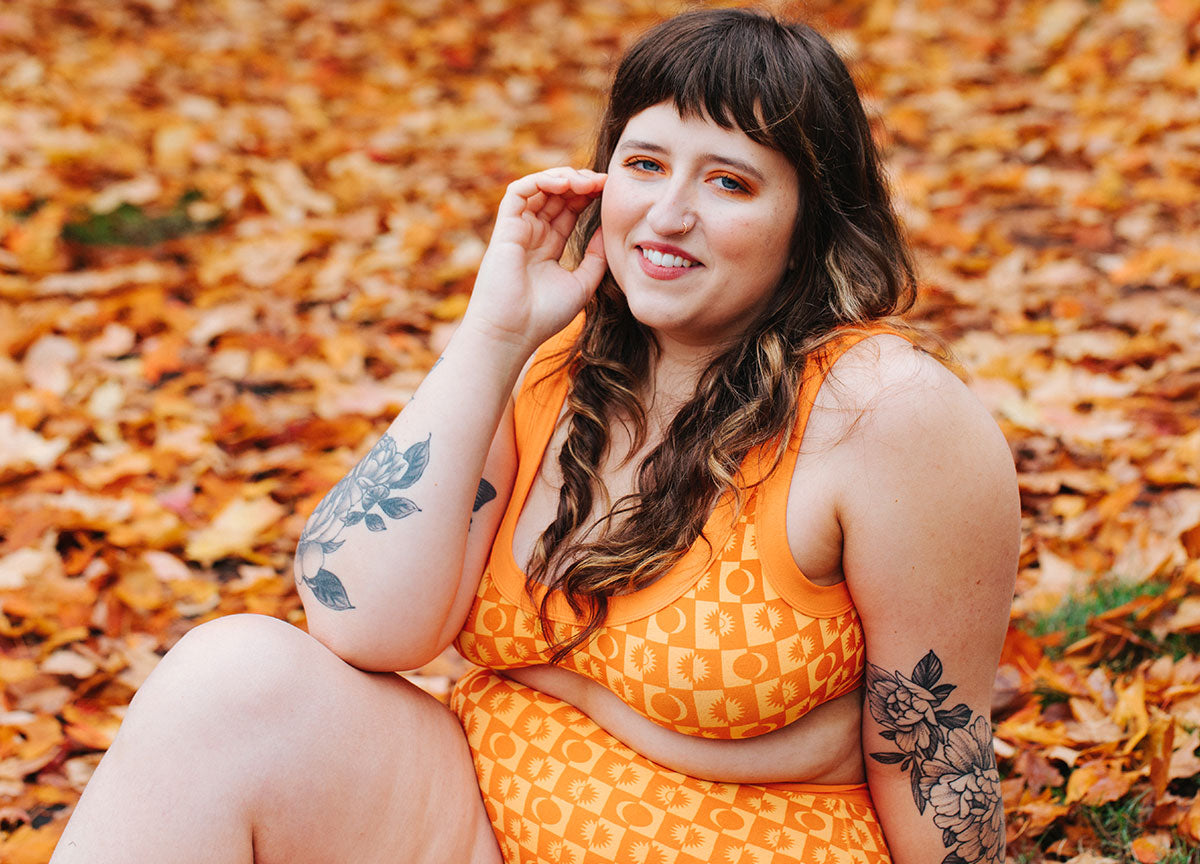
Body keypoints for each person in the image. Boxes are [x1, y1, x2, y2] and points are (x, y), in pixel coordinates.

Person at [51, 9, 1019, 864]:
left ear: (808, 222)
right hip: (470, 819)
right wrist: (492, 336)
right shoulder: (558, 367)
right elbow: (357, 619)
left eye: (729, 182)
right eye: (645, 164)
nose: (668, 214)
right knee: (231, 679)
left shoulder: (884, 414)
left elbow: (937, 760)